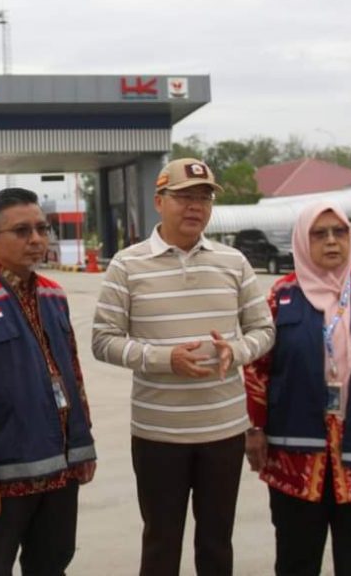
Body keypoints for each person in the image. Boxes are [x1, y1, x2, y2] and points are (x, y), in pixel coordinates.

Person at [92, 158, 275, 576]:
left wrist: (236, 350)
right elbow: (103, 340)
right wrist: (163, 358)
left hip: (224, 430)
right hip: (159, 433)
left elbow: (264, 330)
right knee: (161, 541)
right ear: (159, 201)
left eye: (204, 198)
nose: (196, 207)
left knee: (216, 540)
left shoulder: (233, 262)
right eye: (185, 197)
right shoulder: (127, 264)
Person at [243, 201, 351, 576]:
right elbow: (258, 369)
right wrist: (254, 428)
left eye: (339, 232)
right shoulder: (281, 297)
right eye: (319, 233)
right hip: (296, 454)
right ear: (301, 241)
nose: (331, 242)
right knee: (296, 558)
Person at [0, 187, 97, 576]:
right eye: (22, 231)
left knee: (52, 563)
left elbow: (72, 375)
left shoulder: (54, 295)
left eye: (42, 229)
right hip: (4, 478)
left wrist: (83, 444)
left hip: (60, 469)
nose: (37, 240)